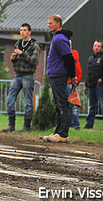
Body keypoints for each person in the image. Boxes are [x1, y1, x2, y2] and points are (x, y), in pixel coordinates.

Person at [42, 14, 77, 143]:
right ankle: (58, 132)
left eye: (50, 23)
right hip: (55, 74)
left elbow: (68, 58)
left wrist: (72, 75)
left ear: (58, 24)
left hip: (59, 75)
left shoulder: (60, 39)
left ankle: (63, 133)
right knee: (58, 105)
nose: (48, 25)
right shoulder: (57, 37)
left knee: (62, 104)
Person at [1, 23, 40, 133]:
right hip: (17, 75)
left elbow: (34, 61)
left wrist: (22, 53)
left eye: (25, 30)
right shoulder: (18, 43)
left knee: (28, 101)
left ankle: (26, 126)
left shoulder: (34, 45)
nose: (22, 32)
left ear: (29, 32)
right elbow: (17, 59)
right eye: (21, 30)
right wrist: (13, 58)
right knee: (10, 100)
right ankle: (11, 125)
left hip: (28, 75)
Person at [84, 40, 103, 130]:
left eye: (98, 46)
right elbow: (89, 73)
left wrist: (102, 80)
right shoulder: (91, 58)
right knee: (92, 105)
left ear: (101, 48)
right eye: (95, 46)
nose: (96, 48)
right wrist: (86, 84)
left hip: (99, 84)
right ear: (93, 47)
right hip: (91, 84)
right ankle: (89, 123)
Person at [68, 45, 83, 130]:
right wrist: (77, 82)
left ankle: (72, 123)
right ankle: (75, 124)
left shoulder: (70, 55)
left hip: (68, 81)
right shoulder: (75, 55)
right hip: (72, 82)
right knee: (73, 103)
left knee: (67, 105)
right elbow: (78, 70)